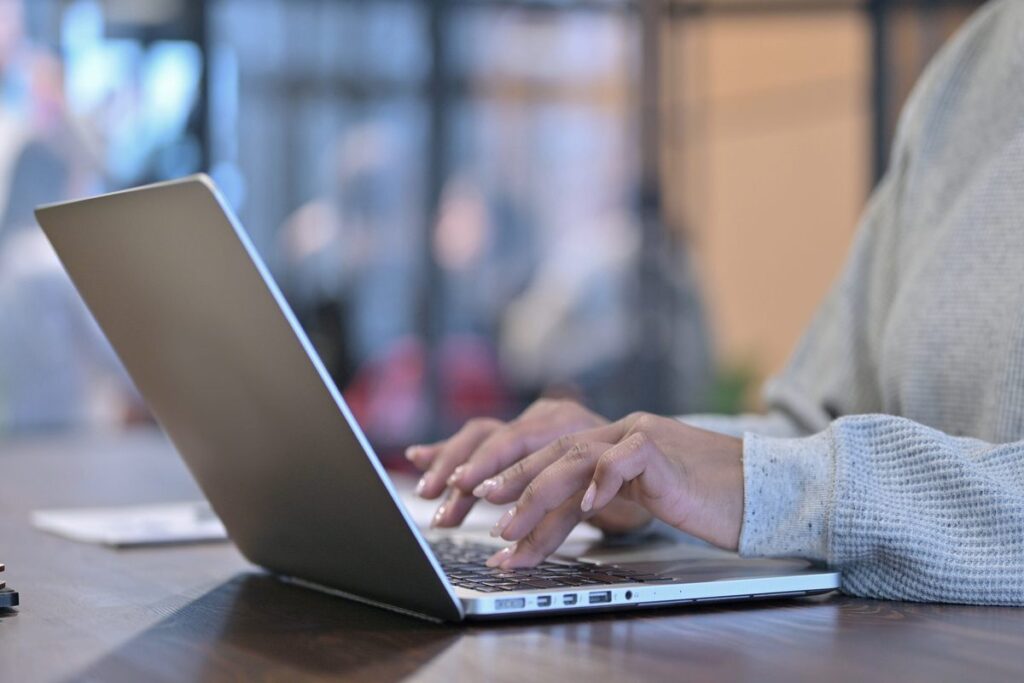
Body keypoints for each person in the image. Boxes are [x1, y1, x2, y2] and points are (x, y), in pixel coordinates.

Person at [406, 0, 1024, 607]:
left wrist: (768, 486)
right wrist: (628, 471)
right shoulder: (971, 67)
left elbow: (807, 479)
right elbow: (813, 431)